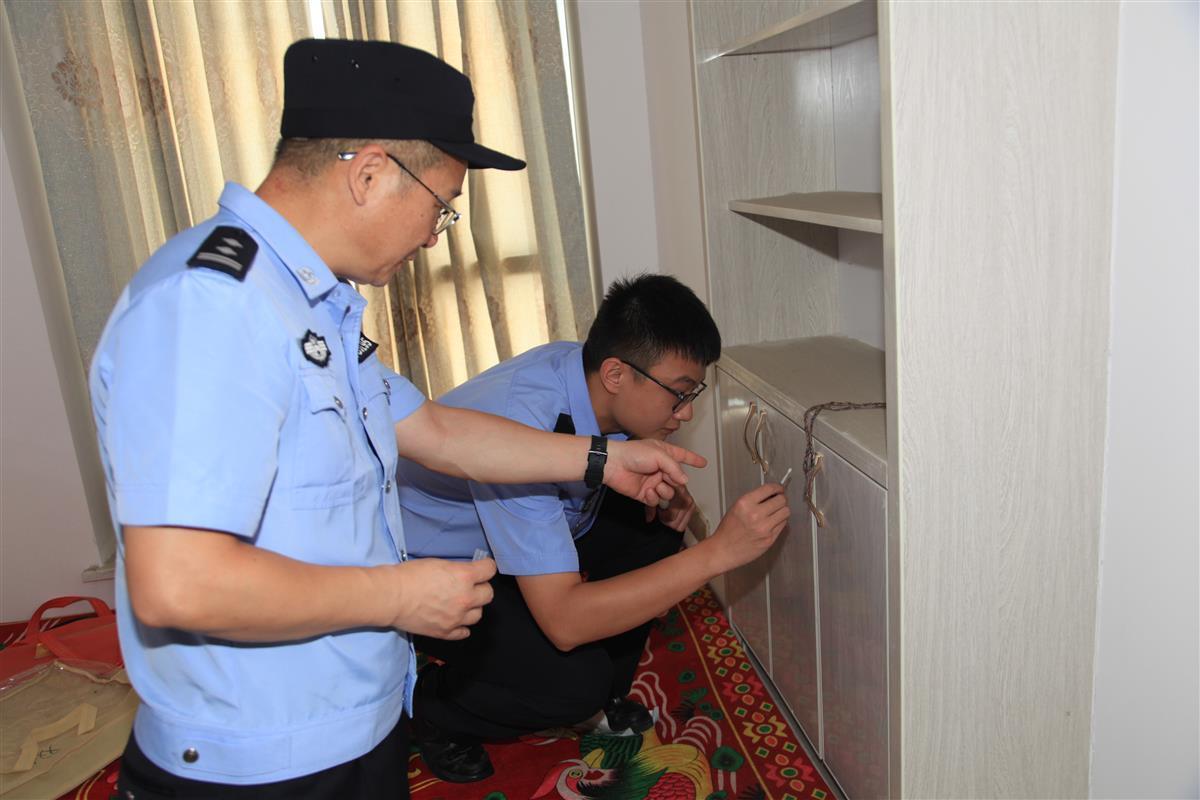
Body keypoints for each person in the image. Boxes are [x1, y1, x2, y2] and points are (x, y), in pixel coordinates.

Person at [89, 39, 703, 799]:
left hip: (350, 722)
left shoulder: (310, 303)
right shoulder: (212, 305)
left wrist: (602, 459)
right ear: (371, 172)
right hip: (259, 762)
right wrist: (400, 597)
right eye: (440, 205)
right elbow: (178, 584)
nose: (433, 234)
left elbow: (435, 432)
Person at [399, 274, 790, 783]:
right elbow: (564, 621)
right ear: (615, 374)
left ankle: (606, 691)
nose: (687, 411)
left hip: (512, 535)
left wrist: (671, 504)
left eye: (694, 392)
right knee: (570, 685)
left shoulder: (584, 374)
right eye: (678, 394)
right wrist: (717, 553)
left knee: (656, 522)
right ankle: (435, 708)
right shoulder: (526, 429)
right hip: (436, 569)